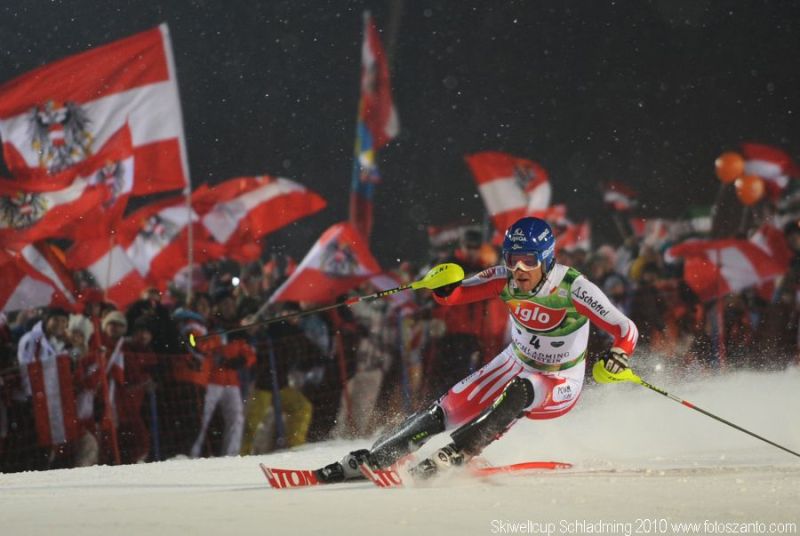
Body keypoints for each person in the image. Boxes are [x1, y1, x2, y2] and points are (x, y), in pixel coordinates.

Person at [316, 216, 639, 482]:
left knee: (520, 391)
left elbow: (625, 328)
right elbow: (456, 295)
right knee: (446, 408)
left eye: (530, 260)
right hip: (515, 360)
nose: (520, 269)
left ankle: (460, 452)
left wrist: (618, 353)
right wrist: (441, 287)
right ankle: (379, 457)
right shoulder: (504, 278)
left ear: (547, 258)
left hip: (560, 379)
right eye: (514, 260)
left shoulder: (574, 287)